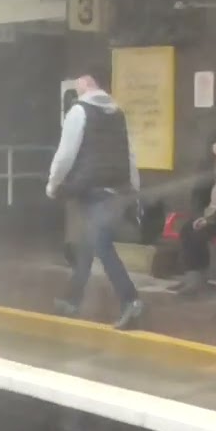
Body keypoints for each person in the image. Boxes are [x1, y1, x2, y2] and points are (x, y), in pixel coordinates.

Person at [46, 72, 144, 330]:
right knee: (88, 243)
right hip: (117, 189)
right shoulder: (118, 113)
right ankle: (72, 299)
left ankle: (130, 300)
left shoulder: (79, 111)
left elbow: (65, 154)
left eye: (79, 81)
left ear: (88, 83)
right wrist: (134, 188)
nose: (77, 86)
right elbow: (130, 154)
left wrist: (53, 184)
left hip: (92, 190)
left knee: (100, 243)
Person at [170, 129, 216, 297]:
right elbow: (197, 195)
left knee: (199, 234)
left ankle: (197, 279)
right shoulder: (205, 165)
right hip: (205, 214)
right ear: (212, 145)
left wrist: (212, 219)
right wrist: (198, 216)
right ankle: (192, 276)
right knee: (186, 230)